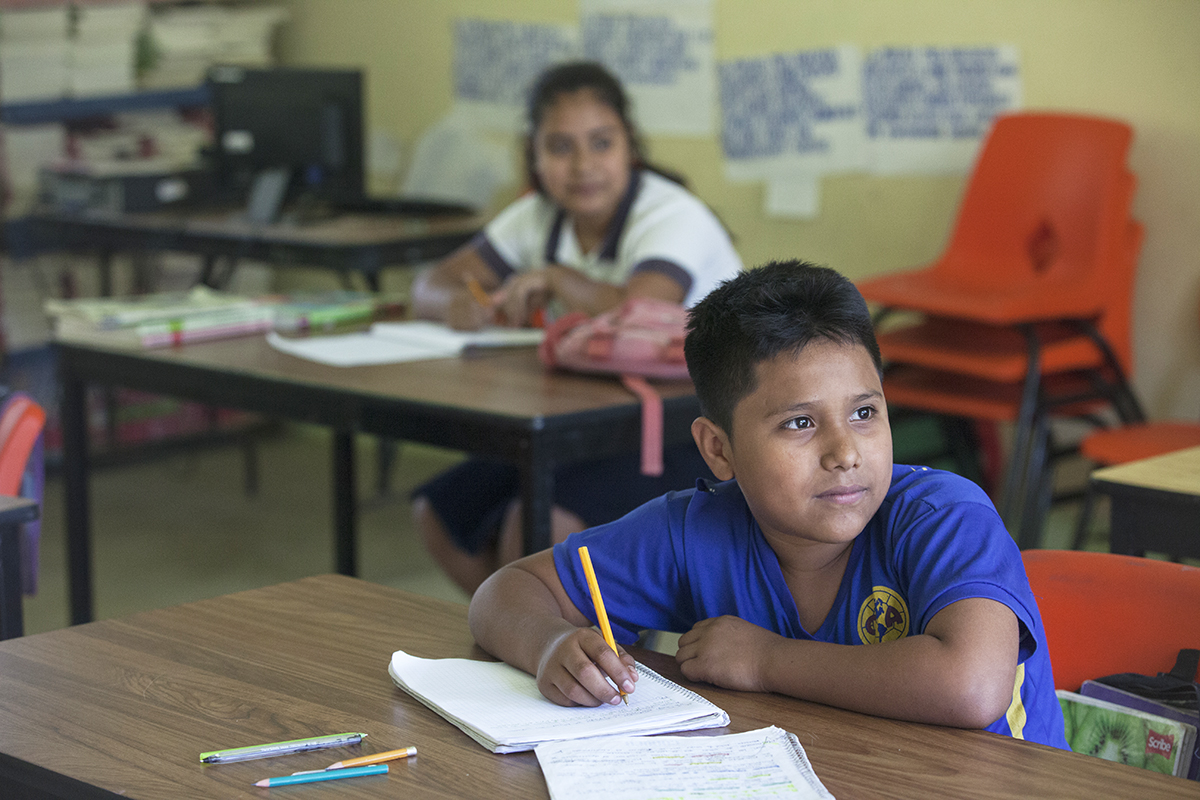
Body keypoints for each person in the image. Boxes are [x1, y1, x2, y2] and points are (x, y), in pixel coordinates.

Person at [467, 260, 1070, 748]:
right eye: (801, 423)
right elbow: (506, 592)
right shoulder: (693, 531)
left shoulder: (942, 516)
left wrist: (766, 661)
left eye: (865, 413)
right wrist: (550, 644)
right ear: (718, 450)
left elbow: (970, 685)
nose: (844, 452)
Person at [409, 61, 743, 595]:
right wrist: (461, 306)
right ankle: (522, 641)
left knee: (537, 526)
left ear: (629, 146)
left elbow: (637, 308)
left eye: (601, 143)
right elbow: (430, 284)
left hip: (690, 432)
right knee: (441, 515)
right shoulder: (536, 216)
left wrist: (558, 278)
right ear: (534, 157)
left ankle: (573, 646)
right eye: (560, 147)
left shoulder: (672, 214)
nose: (583, 165)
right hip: (583, 426)